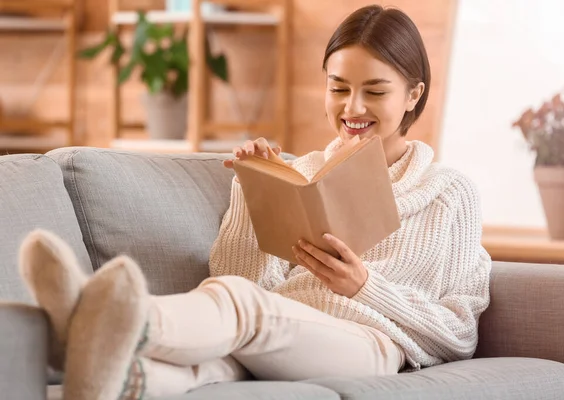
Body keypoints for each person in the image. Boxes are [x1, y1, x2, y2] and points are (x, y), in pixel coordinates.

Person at [18, 4, 491, 400]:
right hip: (280, 331)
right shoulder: (301, 175)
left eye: (375, 91)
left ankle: (100, 320)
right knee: (208, 366)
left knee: (245, 308)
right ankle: (101, 374)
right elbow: (242, 281)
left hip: (374, 343)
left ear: (413, 94)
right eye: (339, 88)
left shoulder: (450, 194)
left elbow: (459, 334)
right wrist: (253, 188)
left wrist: (363, 286)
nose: (352, 108)